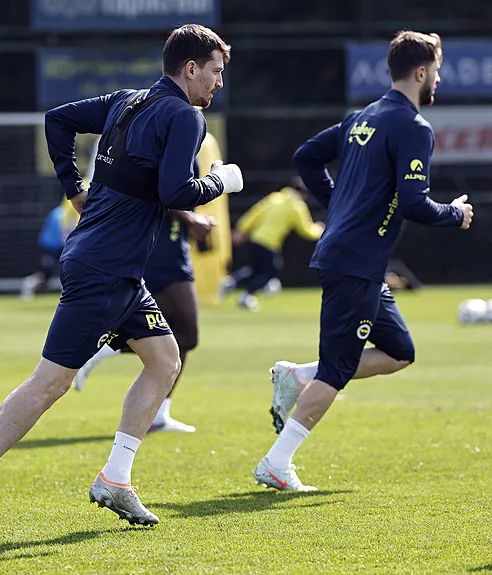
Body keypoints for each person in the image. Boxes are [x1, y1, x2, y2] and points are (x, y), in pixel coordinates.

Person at [0, 24, 243, 540]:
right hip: (104, 268)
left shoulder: (127, 100)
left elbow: (57, 121)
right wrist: (222, 180)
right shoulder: (185, 116)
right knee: (50, 382)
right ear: (190, 68)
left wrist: (73, 188)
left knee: (164, 359)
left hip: (110, 264)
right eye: (215, 72)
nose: (217, 84)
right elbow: (178, 190)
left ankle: (115, 477)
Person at [253, 31, 473, 492]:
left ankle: (298, 376)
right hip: (354, 262)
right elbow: (414, 201)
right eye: (436, 69)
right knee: (338, 368)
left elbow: (306, 157)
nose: (438, 78)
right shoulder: (413, 127)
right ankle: (277, 461)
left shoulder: (362, 117)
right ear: (420, 72)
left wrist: (339, 205)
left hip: (356, 260)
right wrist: (455, 213)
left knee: (399, 353)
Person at [73, 145, 217, 434]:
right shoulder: (160, 142)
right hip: (158, 250)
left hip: (176, 249)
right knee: (185, 333)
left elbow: (185, 196)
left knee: (178, 336)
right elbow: (160, 193)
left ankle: (158, 412)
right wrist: (191, 219)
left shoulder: (188, 144)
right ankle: (105, 348)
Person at [221, 176, 324, 310]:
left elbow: (255, 213)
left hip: (255, 238)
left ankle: (232, 282)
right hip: (269, 243)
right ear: (303, 193)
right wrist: (320, 231)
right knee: (269, 273)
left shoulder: (275, 197)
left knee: (256, 270)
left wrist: (241, 230)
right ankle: (246, 296)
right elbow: (305, 230)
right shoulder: (297, 206)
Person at [20, 197, 77, 299]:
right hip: (51, 246)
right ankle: (27, 287)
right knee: (46, 273)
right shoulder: (60, 214)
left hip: (59, 246)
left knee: (67, 272)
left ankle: (67, 295)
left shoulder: (61, 212)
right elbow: (60, 233)